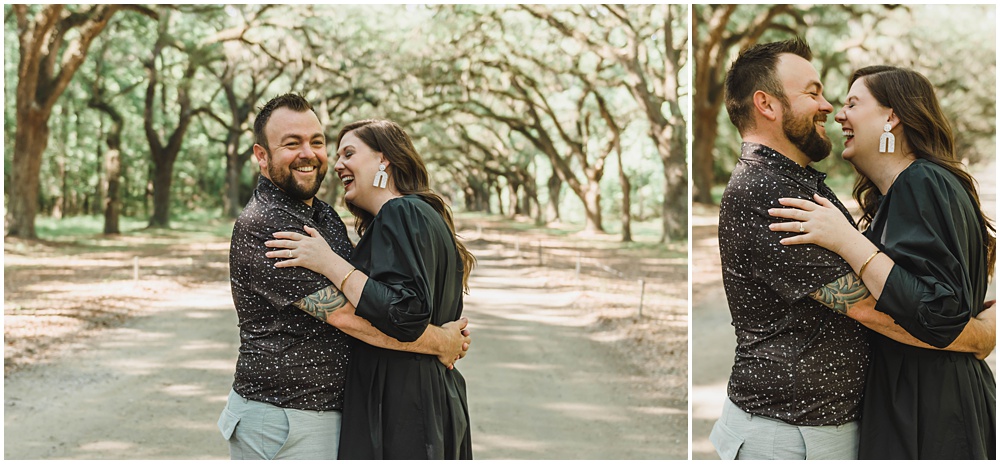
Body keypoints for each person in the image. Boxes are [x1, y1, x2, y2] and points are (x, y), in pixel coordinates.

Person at [709, 38, 995, 460]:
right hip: (792, 435)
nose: (831, 109)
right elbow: (869, 307)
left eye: (849, 102)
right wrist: (978, 336)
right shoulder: (767, 190)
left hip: (906, 411)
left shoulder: (914, 182)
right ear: (767, 105)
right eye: (814, 92)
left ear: (891, 118)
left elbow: (939, 286)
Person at [218, 94, 471, 460]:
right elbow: (348, 316)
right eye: (292, 143)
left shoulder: (327, 218)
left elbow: (383, 294)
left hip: (335, 414)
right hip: (286, 418)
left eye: (317, 142)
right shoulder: (269, 224)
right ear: (261, 155)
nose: (313, 154)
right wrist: (441, 343)